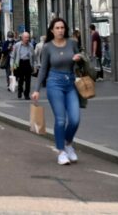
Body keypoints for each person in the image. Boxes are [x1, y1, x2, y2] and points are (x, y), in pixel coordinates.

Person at [32, 18, 85, 166]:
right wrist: (36, 90)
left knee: (75, 119)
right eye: (57, 28)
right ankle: (61, 151)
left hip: (70, 83)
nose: (60, 30)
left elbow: (82, 61)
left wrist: (78, 59)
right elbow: (43, 69)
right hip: (54, 83)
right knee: (61, 119)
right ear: (52, 30)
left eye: (62, 27)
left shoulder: (72, 43)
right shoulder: (47, 47)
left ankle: (68, 144)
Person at [10, 31, 34, 100]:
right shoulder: (17, 45)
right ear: (22, 38)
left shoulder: (31, 46)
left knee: (28, 80)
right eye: (26, 37)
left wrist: (34, 66)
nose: (27, 39)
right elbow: (13, 56)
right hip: (19, 63)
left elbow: (33, 57)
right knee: (20, 79)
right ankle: (20, 91)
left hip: (27, 63)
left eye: (28, 37)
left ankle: (26, 94)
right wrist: (12, 65)